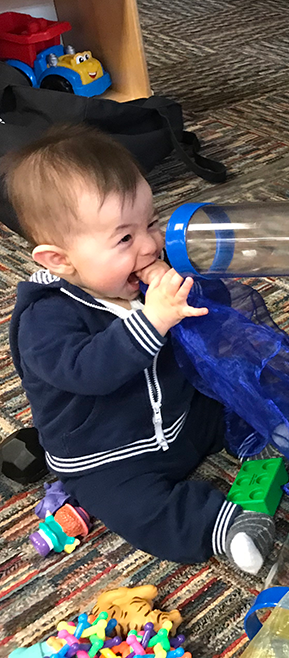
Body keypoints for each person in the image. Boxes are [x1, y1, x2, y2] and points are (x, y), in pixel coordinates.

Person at [2, 125, 274, 574]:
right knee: (135, 510)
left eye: (149, 223)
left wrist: (192, 292)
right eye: (125, 239)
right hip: (109, 457)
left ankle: (262, 438)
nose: (149, 244)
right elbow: (89, 370)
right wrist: (153, 318)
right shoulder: (44, 318)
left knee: (231, 398)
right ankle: (221, 526)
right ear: (60, 260)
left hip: (182, 417)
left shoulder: (136, 274)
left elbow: (210, 322)